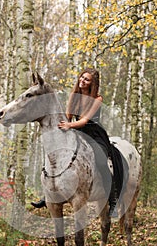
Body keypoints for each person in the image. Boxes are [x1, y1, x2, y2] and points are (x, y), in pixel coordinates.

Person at [31, 68, 120, 214]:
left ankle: (113, 199)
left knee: (102, 160)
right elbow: (68, 117)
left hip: (94, 134)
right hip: (76, 131)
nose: (82, 81)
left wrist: (69, 125)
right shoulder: (75, 96)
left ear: (93, 84)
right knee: (54, 155)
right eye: (82, 77)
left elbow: (84, 120)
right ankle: (48, 194)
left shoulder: (98, 99)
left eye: (86, 80)